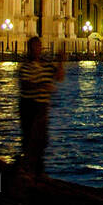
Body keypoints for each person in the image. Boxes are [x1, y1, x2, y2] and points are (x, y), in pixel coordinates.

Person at [18, 36, 65, 175]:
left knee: (42, 141)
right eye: (34, 47)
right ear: (30, 50)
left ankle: (37, 172)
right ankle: (29, 171)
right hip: (29, 107)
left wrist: (61, 61)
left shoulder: (46, 65)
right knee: (30, 141)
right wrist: (42, 86)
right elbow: (25, 85)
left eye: (38, 47)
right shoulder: (25, 67)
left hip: (42, 109)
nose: (37, 50)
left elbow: (58, 77)